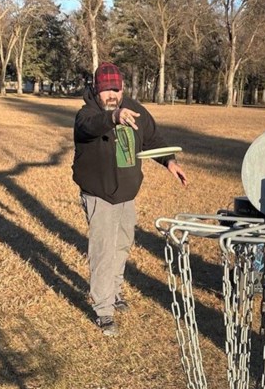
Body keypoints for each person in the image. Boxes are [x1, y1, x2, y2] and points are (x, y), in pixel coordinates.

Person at [73, 62, 187, 336]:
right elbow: (88, 128)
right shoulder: (87, 114)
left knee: (122, 245)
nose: (111, 95)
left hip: (126, 194)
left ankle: (114, 292)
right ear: (96, 90)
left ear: (122, 88)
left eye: (116, 89)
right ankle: (103, 309)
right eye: (105, 91)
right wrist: (113, 118)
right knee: (103, 250)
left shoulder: (134, 109)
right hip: (99, 193)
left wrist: (169, 161)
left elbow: (153, 138)